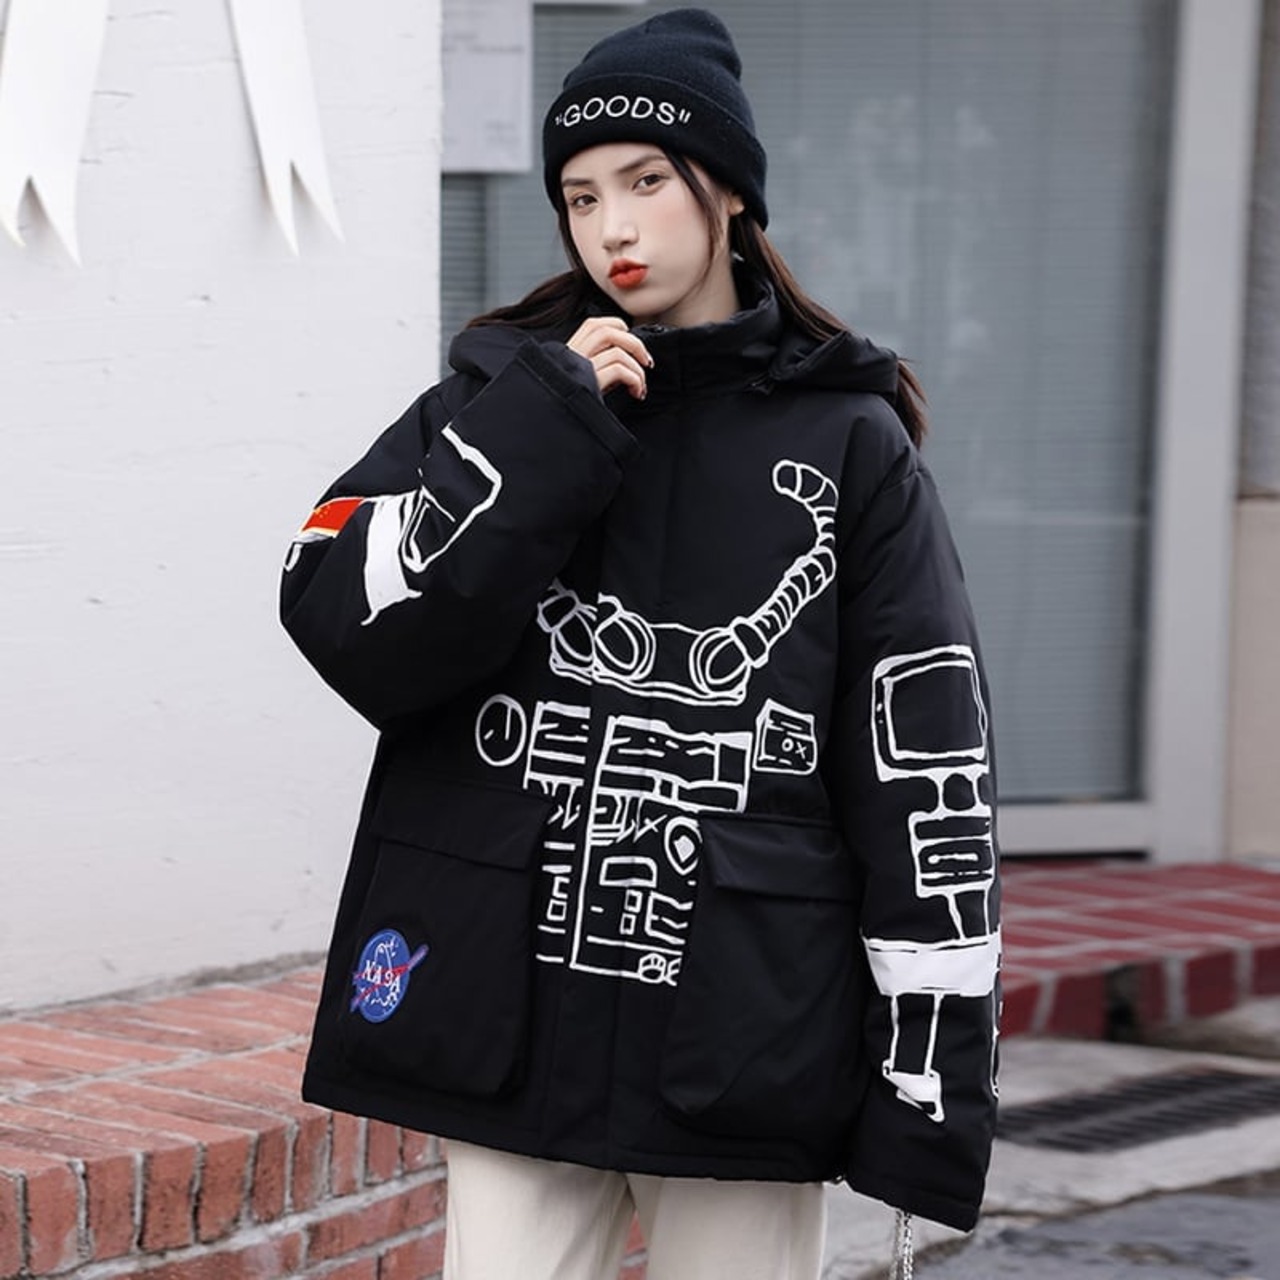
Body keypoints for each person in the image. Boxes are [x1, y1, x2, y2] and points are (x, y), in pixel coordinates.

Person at [280, 9, 1001, 1279]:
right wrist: (541, 429)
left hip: (740, 1030)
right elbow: (343, 618)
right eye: (579, 196)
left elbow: (921, 759)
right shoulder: (497, 398)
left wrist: (926, 1085)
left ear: (727, 193)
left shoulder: (848, 441)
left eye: (647, 181)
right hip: (502, 1010)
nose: (612, 226)